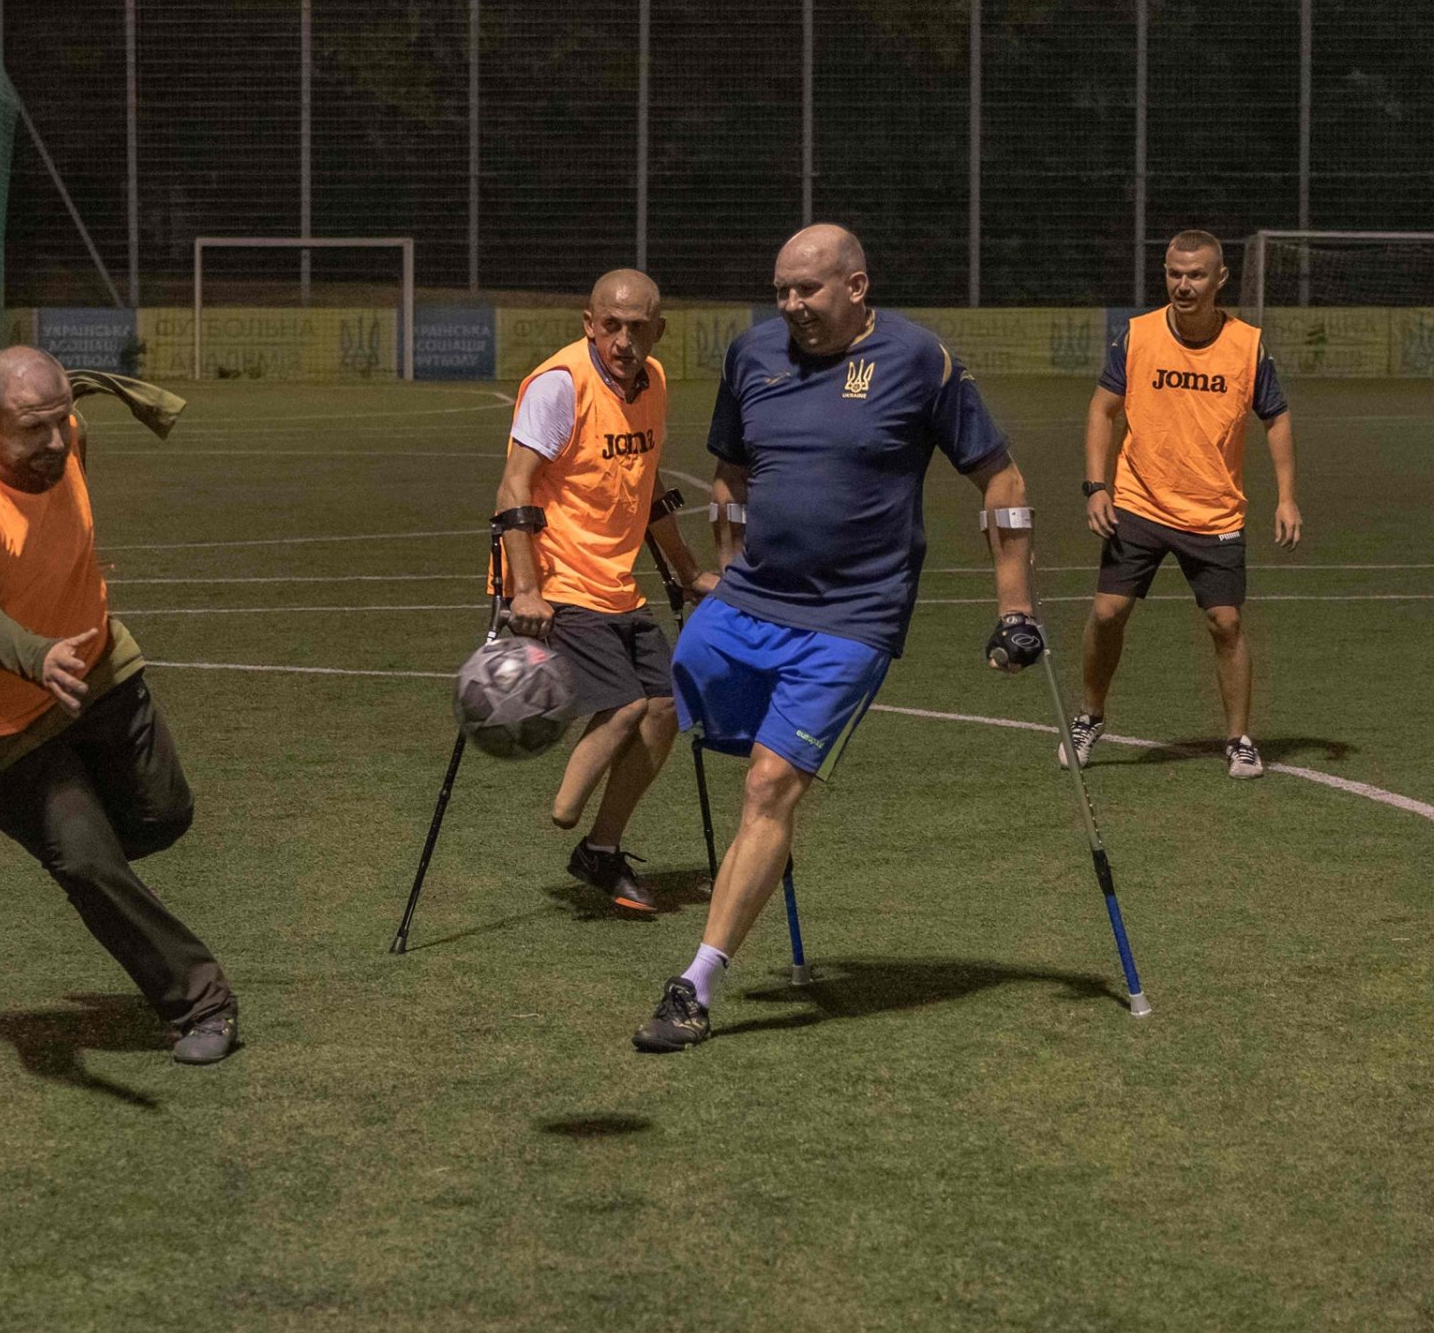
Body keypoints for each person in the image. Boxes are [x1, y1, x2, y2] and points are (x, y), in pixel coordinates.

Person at [634, 224, 1044, 1054]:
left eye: (808, 290)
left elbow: (1000, 481)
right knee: (667, 690)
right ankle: (701, 841)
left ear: (857, 286)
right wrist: (727, 563)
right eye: (781, 290)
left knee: (770, 784)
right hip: (749, 603)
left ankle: (697, 981)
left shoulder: (917, 358)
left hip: (852, 617)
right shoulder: (753, 356)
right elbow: (730, 473)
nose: (791, 306)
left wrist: (1015, 608)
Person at [0, 347, 239, 1066]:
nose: (55, 442)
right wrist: (35, 655)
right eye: (34, 428)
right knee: (87, 862)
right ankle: (199, 999)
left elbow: (64, 436)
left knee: (164, 814)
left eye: (61, 421)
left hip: (94, 665)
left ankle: (90, 844)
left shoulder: (66, 436)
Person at [493, 268, 720, 912]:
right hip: (557, 577)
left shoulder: (654, 385)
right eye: (610, 325)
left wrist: (686, 570)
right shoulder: (559, 387)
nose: (623, 339)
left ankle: (600, 849)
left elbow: (644, 488)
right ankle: (566, 813)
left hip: (615, 579)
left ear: (659, 330)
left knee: (666, 708)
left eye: (637, 326)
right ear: (589, 323)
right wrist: (526, 590)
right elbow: (514, 489)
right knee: (623, 705)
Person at [1068, 229, 1301, 779]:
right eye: (1174, 273)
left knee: (1225, 624)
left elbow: (1278, 418)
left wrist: (1287, 497)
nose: (1183, 285)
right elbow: (1102, 411)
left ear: (1219, 279)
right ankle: (1089, 716)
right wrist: (1096, 486)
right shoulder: (1137, 336)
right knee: (1107, 613)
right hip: (1139, 501)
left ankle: (1240, 740)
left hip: (1214, 511)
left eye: (1196, 275)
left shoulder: (1247, 345)